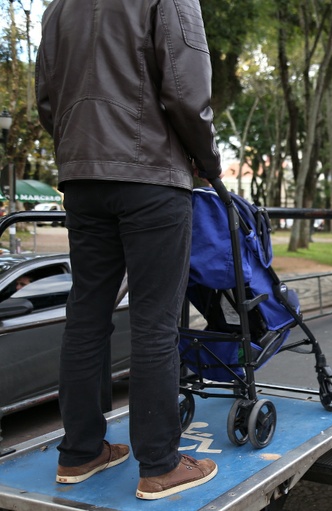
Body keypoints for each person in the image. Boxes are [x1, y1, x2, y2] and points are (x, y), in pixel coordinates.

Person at [36, 0, 221, 500]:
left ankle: (80, 452)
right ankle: (160, 464)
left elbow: (47, 101)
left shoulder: (57, 8)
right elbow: (185, 90)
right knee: (154, 320)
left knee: (86, 314)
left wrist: (83, 151)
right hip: (151, 175)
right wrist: (207, 161)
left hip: (83, 176)